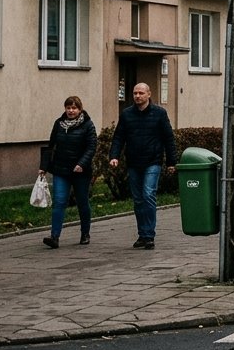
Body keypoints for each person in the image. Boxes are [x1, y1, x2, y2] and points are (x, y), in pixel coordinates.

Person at [109, 83, 178, 249]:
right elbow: (119, 137)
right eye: (135, 93)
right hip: (133, 162)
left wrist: (171, 162)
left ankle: (149, 235)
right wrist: (114, 156)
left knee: (148, 194)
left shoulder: (159, 114)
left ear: (148, 94)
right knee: (138, 200)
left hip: (152, 161)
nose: (137, 96)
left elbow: (168, 138)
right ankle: (142, 234)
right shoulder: (127, 114)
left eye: (140, 93)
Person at [39, 96, 98, 248]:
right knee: (59, 201)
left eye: (74, 108)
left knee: (82, 202)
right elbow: (51, 146)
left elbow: (91, 147)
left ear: (80, 109)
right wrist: (43, 167)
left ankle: (85, 233)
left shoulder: (88, 125)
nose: (71, 111)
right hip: (61, 169)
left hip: (81, 172)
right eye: (68, 108)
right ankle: (54, 237)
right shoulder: (59, 124)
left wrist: (82, 163)